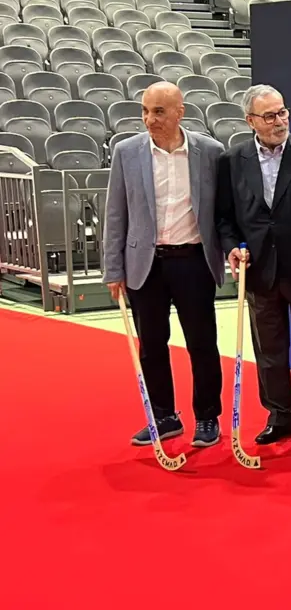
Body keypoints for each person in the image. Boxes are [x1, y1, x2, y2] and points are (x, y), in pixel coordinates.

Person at [216, 84, 291, 447]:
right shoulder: (232, 160)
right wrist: (232, 249)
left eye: (283, 112)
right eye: (269, 116)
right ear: (250, 120)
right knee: (269, 351)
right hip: (260, 272)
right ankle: (279, 416)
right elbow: (224, 218)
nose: (279, 121)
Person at [102, 81, 225, 447]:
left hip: (193, 261)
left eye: (158, 111)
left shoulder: (211, 151)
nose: (149, 119)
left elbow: (222, 211)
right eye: (145, 110)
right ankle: (164, 417)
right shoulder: (126, 152)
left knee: (202, 343)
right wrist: (113, 269)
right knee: (152, 345)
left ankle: (207, 417)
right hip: (145, 264)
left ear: (179, 112)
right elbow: (115, 213)